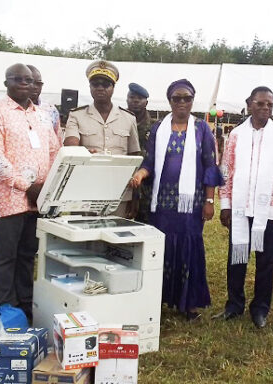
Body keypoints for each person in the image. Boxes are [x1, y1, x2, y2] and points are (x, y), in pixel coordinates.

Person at [129, 79, 223, 321]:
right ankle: (158, 299)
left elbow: (210, 166)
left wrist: (210, 202)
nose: (182, 102)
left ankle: (188, 304)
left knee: (188, 249)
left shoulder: (202, 129)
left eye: (187, 98)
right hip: (161, 203)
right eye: (176, 98)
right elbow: (149, 162)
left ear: (193, 100)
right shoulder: (158, 128)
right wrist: (141, 173)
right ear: (169, 100)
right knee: (160, 249)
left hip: (190, 204)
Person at [0, 63, 60, 321]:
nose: (25, 84)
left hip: (38, 199)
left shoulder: (41, 115)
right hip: (10, 198)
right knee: (5, 256)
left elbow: (54, 151)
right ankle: (6, 308)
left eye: (29, 80)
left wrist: (48, 187)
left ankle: (25, 306)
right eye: (18, 79)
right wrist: (28, 186)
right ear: (6, 83)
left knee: (27, 255)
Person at [217, 86, 273, 329]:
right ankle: (234, 305)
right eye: (260, 103)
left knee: (265, 262)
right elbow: (227, 171)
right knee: (236, 260)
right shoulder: (236, 135)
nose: (265, 108)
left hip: (270, 211)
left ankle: (260, 308)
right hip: (241, 209)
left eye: (270, 105)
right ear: (249, 104)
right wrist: (225, 205)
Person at [64, 60, 140, 218]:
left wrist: (134, 196)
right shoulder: (76, 115)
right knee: (84, 237)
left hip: (118, 191)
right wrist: (82, 151)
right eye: (95, 84)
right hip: (85, 190)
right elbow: (71, 145)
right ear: (90, 87)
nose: (100, 88)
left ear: (113, 88)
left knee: (115, 238)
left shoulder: (128, 118)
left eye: (106, 84)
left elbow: (134, 157)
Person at [126, 82, 156, 223]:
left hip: (147, 186)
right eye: (132, 97)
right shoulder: (119, 121)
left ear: (146, 102)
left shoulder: (156, 126)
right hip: (123, 181)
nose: (135, 101)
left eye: (140, 98)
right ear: (127, 99)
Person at [27, 65, 61, 141]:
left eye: (38, 84)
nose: (35, 87)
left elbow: (57, 139)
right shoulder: (8, 110)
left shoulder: (51, 110)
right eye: (31, 82)